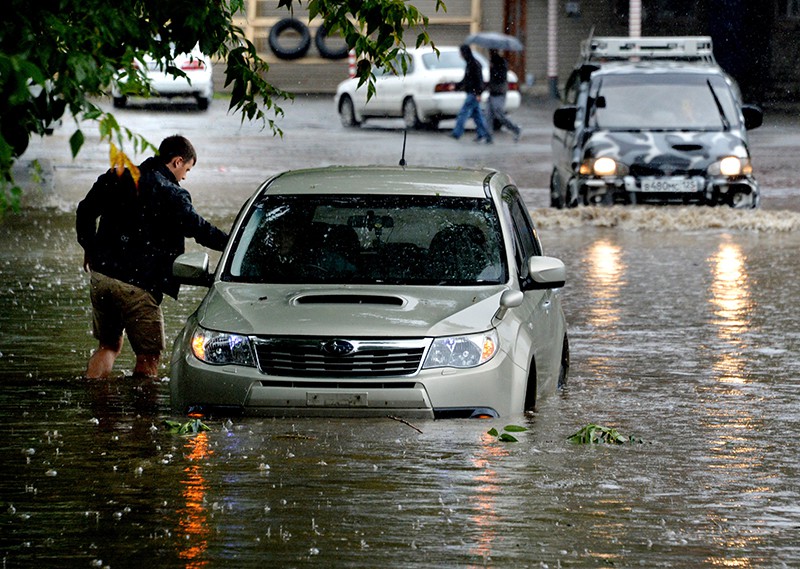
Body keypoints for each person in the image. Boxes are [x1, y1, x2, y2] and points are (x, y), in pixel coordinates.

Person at [76, 135, 229, 379]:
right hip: (139, 287)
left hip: (102, 277)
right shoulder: (172, 194)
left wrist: (89, 246)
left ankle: (96, 407)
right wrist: (234, 243)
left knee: (108, 347)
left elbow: (85, 210)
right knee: (148, 358)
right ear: (177, 161)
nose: (185, 177)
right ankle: (144, 416)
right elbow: (201, 231)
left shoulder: (117, 176)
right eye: (187, 169)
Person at [450, 44, 492, 144]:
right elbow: (466, 80)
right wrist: (456, 87)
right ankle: (485, 134)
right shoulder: (470, 64)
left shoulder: (474, 64)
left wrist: (478, 93)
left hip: (473, 94)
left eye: (461, 52)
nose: (460, 55)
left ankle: (457, 133)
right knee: (477, 116)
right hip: (472, 93)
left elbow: (479, 80)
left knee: (463, 113)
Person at [486, 49, 522, 142]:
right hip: (492, 92)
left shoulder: (501, 62)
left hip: (499, 92)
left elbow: (500, 77)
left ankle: (515, 129)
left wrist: (493, 69)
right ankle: (488, 136)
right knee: (488, 115)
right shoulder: (492, 63)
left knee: (499, 115)